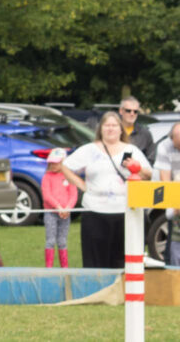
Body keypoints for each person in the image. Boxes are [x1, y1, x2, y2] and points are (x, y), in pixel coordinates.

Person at [60, 111, 152, 268]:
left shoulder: (130, 150)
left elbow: (148, 174)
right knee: (95, 261)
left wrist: (135, 167)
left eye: (114, 125)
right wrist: (81, 185)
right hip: (94, 211)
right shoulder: (89, 149)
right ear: (100, 128)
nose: (110, 129)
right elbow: (65, 166)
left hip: (124, 212)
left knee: (121, 261)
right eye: (107, 125)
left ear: (120, 129)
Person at [41, 148, 77, 268]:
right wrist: (58, 207)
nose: (53, 165)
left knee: (62, 241)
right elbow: (47, 196)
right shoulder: (47, 177)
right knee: (50, 240)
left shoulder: (69, 177)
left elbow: (73, 195)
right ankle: (49, 268)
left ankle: (64, 268)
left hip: (65, 214)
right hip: (51, 213)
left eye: (56, 162)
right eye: (51, 162)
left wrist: (67, 208)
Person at [153, 122, 180, 266]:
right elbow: (166, 182)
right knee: (173, 247)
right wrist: (173, 209)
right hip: (175, 201)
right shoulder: (164, 146)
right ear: (172, 139)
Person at [118, 96, 155, 164]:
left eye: (135, 111)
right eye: (128, 111)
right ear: (121, 111)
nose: (132, 114)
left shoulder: (145, 134)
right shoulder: (112, 130)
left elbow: (151, 160)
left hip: (138, 172)